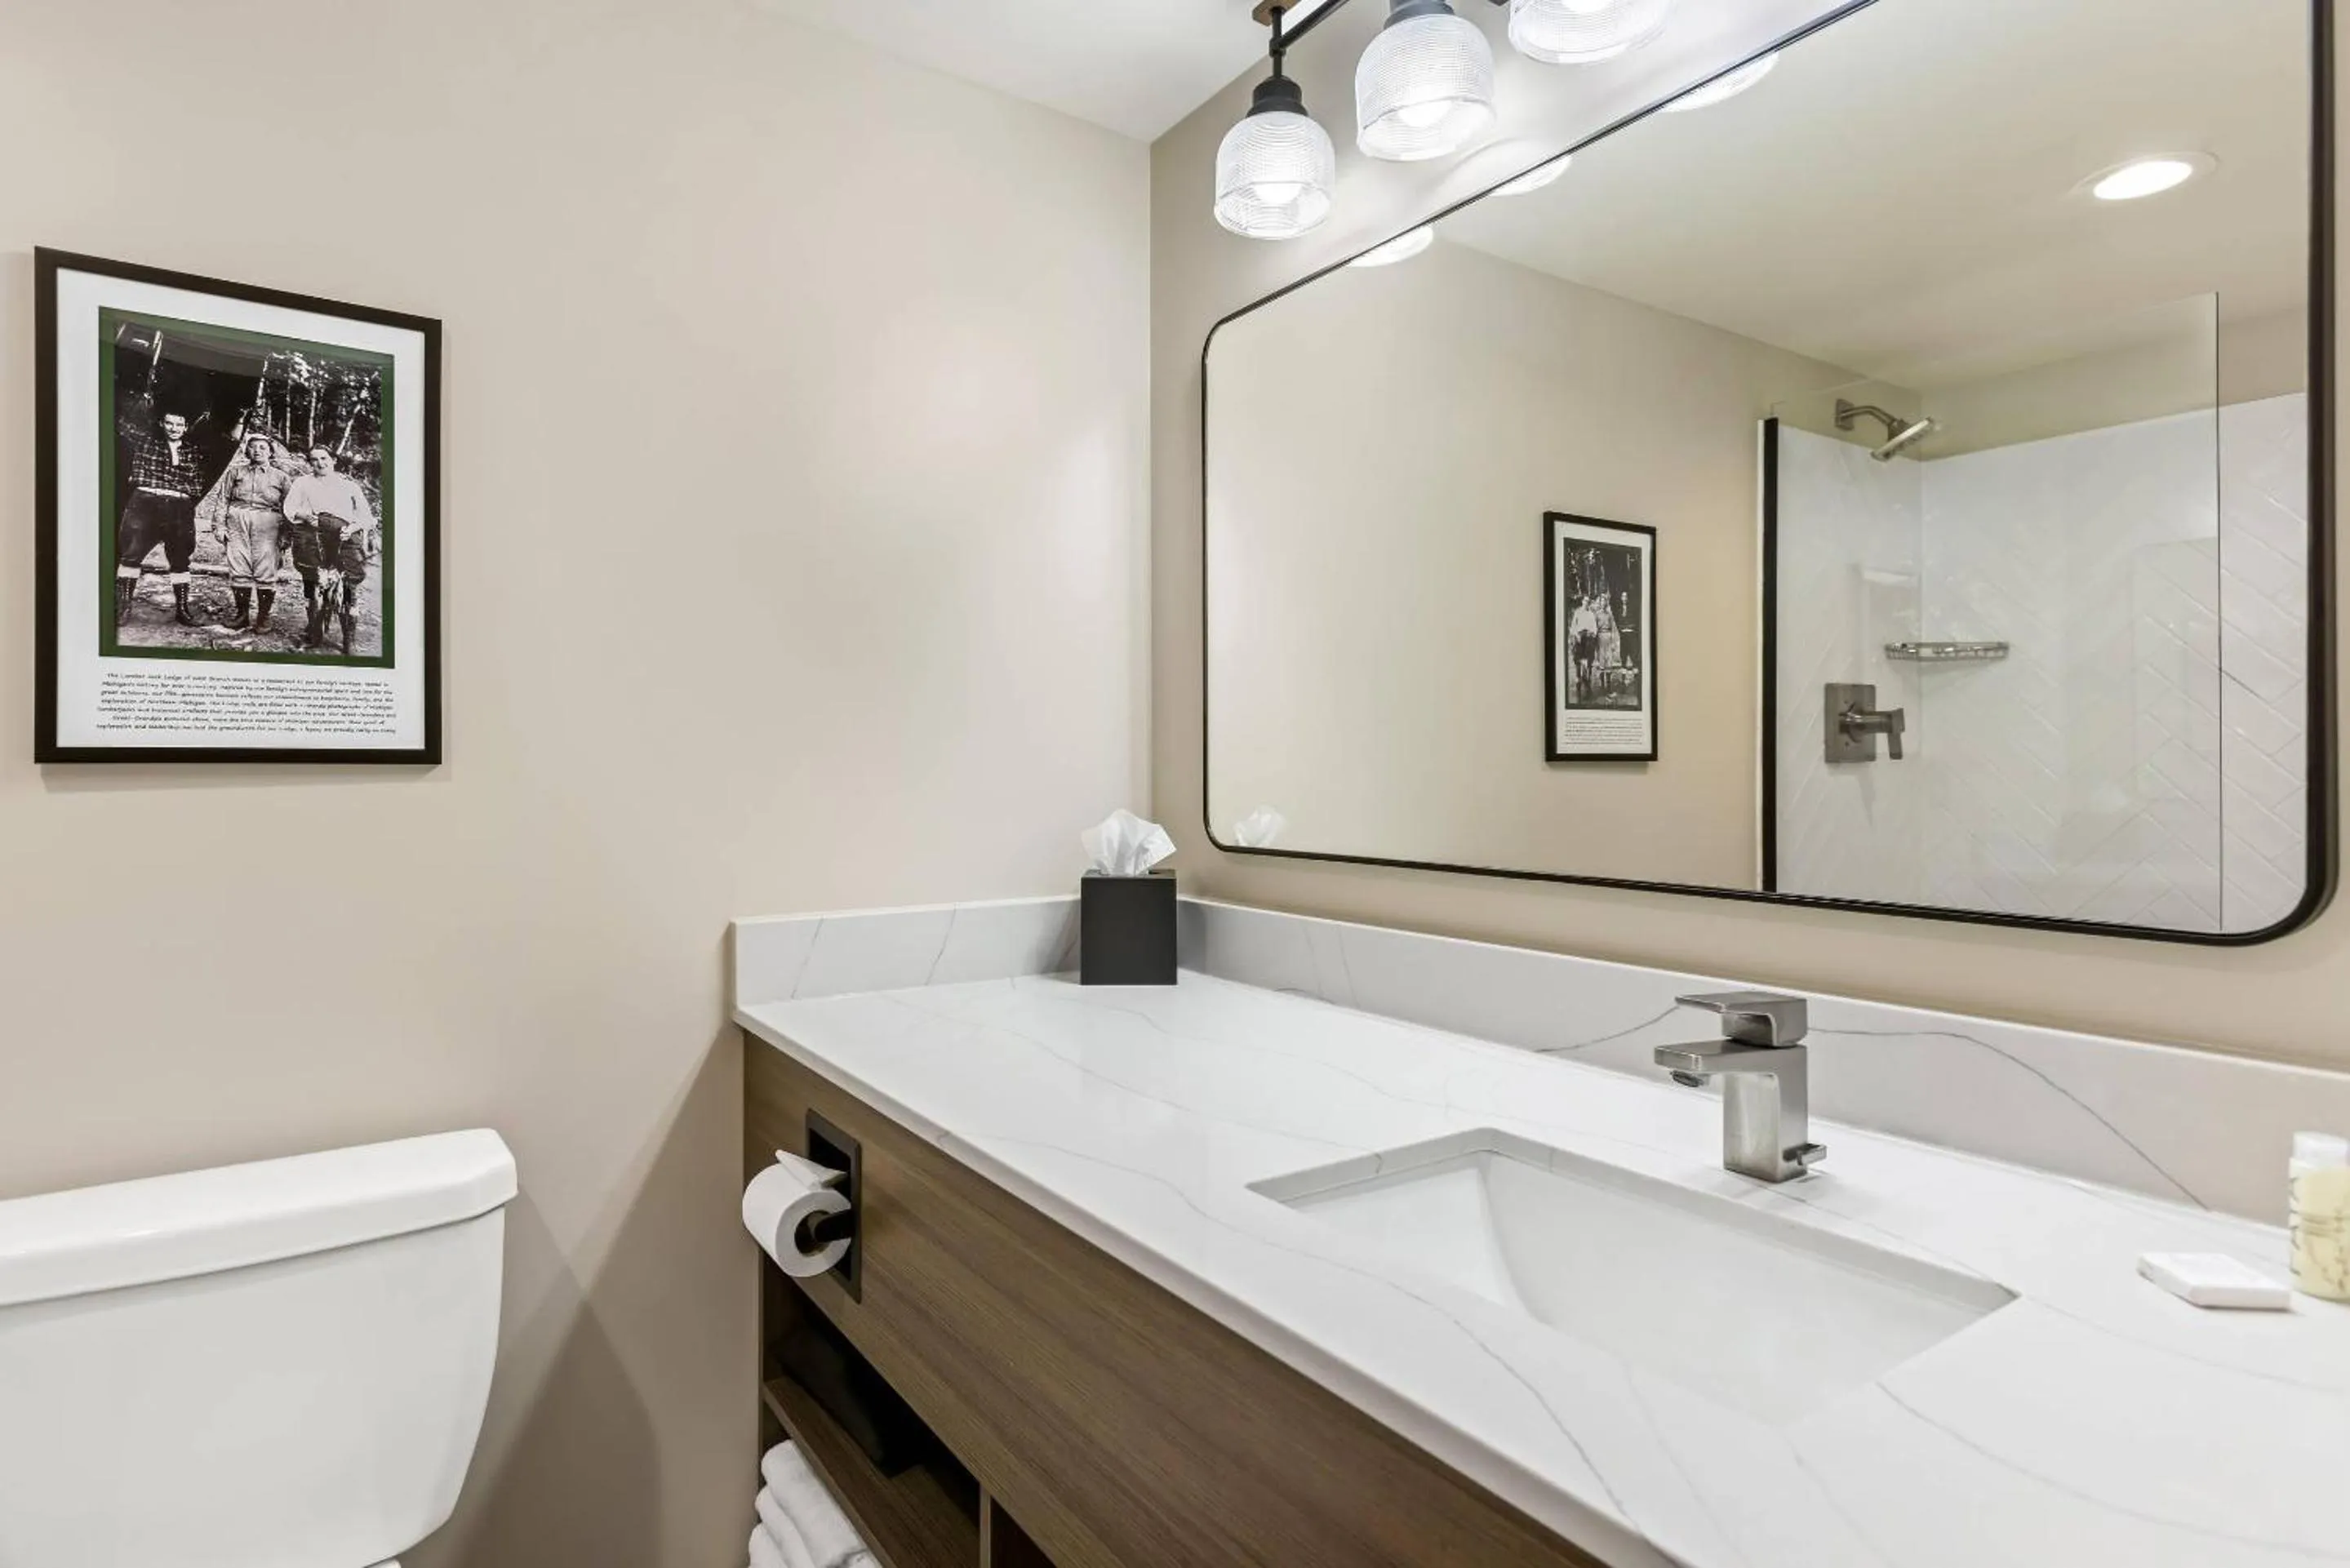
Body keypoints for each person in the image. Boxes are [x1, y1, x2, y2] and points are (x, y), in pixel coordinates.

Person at [195, 433, 302, 633]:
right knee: (239, 569)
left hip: (268, 524)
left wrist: (286, 536)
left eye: (263, 447)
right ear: (247, 450)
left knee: (265, 571)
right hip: (237, 521)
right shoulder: (235, 473)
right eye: (253, 447)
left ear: (271, 452)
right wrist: (219, 526)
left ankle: (263, 617)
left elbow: (290, 509)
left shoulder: (281, 477)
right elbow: (223, 500)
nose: (258, 451)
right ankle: (242, 616)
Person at [114, 408, 211, 626]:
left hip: (179, 507)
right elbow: (138, 475)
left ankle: (182, 611)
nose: (174, 429)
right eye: (170, 424)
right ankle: (123, 609)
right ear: (162, 424)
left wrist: (174, 490)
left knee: (180, 558)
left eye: (179, 425)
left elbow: (195, 484)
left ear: (186, 428)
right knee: (131, 554)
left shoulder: (193, 451)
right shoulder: (147, 443)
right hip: (145, 502)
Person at [282, 446, 378, 655]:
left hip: (342, 536)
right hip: (311, 535)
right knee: (313, 584)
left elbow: (366, 517)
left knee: (347, 586)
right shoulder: (302, 483)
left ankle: (348, 640)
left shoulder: (349, 486)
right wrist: (307, 517)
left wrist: (351, 528)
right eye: (314, 460)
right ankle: (315, 634)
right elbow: (289, 509)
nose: (320, 463)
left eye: (324, 458)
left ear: (333, 460)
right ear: (310, 463)